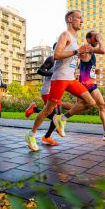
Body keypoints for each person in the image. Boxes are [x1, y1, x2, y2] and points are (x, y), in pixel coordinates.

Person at [26, 10, 96, 152]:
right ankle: (31, 134)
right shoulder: (65, 35)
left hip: (70, 79)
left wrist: (85, 52)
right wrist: (77, 52)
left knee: (90, 102)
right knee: (48, 109)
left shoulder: (76, 41)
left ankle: (62, 119)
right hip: (59, 79)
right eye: (79, 18)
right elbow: (57, 55)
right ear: (70, 20)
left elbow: (74, 59)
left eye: (82, 18)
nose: (81, 21)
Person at [24, 43, 73, 146]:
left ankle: (47, 137)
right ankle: (35, 111)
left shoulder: (64, 62)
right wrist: (53, 74)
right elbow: (40, 70)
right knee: (56, 117)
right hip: (47, 91)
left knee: (57, 116)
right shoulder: (51, 59)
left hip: (57, 91)